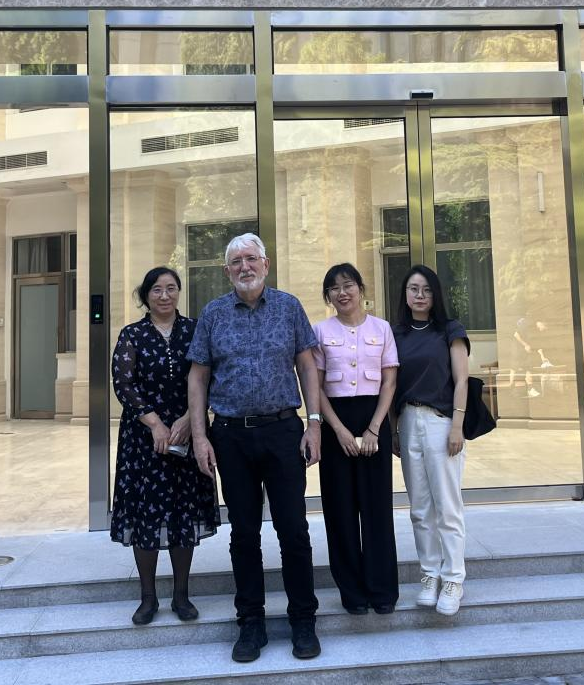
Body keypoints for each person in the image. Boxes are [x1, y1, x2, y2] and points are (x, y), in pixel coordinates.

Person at [187, 233, 324, 663]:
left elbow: (307, 365)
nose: (244, 267)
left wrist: (314, 423)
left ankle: (303, 619)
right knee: (243, 533)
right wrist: (199, 436)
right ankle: (250, 622)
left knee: (293, 529)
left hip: (283, 432)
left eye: (251, 259)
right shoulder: (212, 314)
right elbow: (198, 377)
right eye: (236, 261)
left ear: (266, 264)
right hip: (231, 436)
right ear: (226, 270)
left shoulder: (289, 307)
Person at [110, 266, 219, 625]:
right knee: (146, 514)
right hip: (143, 439)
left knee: (182, 513)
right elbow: (124, 384)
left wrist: (190, 419)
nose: (164, 295)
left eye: (171, 288)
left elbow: (211, 377)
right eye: (157, 289)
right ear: (146, 295)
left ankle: (181, 596)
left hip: (189, 433)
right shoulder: (133, 334)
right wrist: (155, 423)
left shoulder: (195, 330)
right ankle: (148, 598)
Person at [313, 263, 400, 615]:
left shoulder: (382, 328)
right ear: (328, 297)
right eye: (334, 288)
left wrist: (375, 428)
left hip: (374, 419)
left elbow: (390, 381)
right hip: (337, 424)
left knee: (377, 509)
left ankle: (382, 591)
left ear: (361, 289)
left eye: (348, 285)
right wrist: (338, 430)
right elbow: (316, 387)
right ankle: (352, 593)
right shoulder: (320, 331)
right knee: (341, 511)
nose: (342, 292)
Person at [392, 264, 470, 617]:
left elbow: (462, 380)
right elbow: (391, 385)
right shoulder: (396, 334)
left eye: (426, 289)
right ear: (405, 294)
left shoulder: (450, 330)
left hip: (442, 423)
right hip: (409, 421)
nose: (420, 295)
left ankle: (453, 578)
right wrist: (394, 428)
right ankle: (430, 574)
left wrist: (458, 426)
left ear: (435, 294)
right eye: (413, 289)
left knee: (447, 506)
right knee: (420, 508)